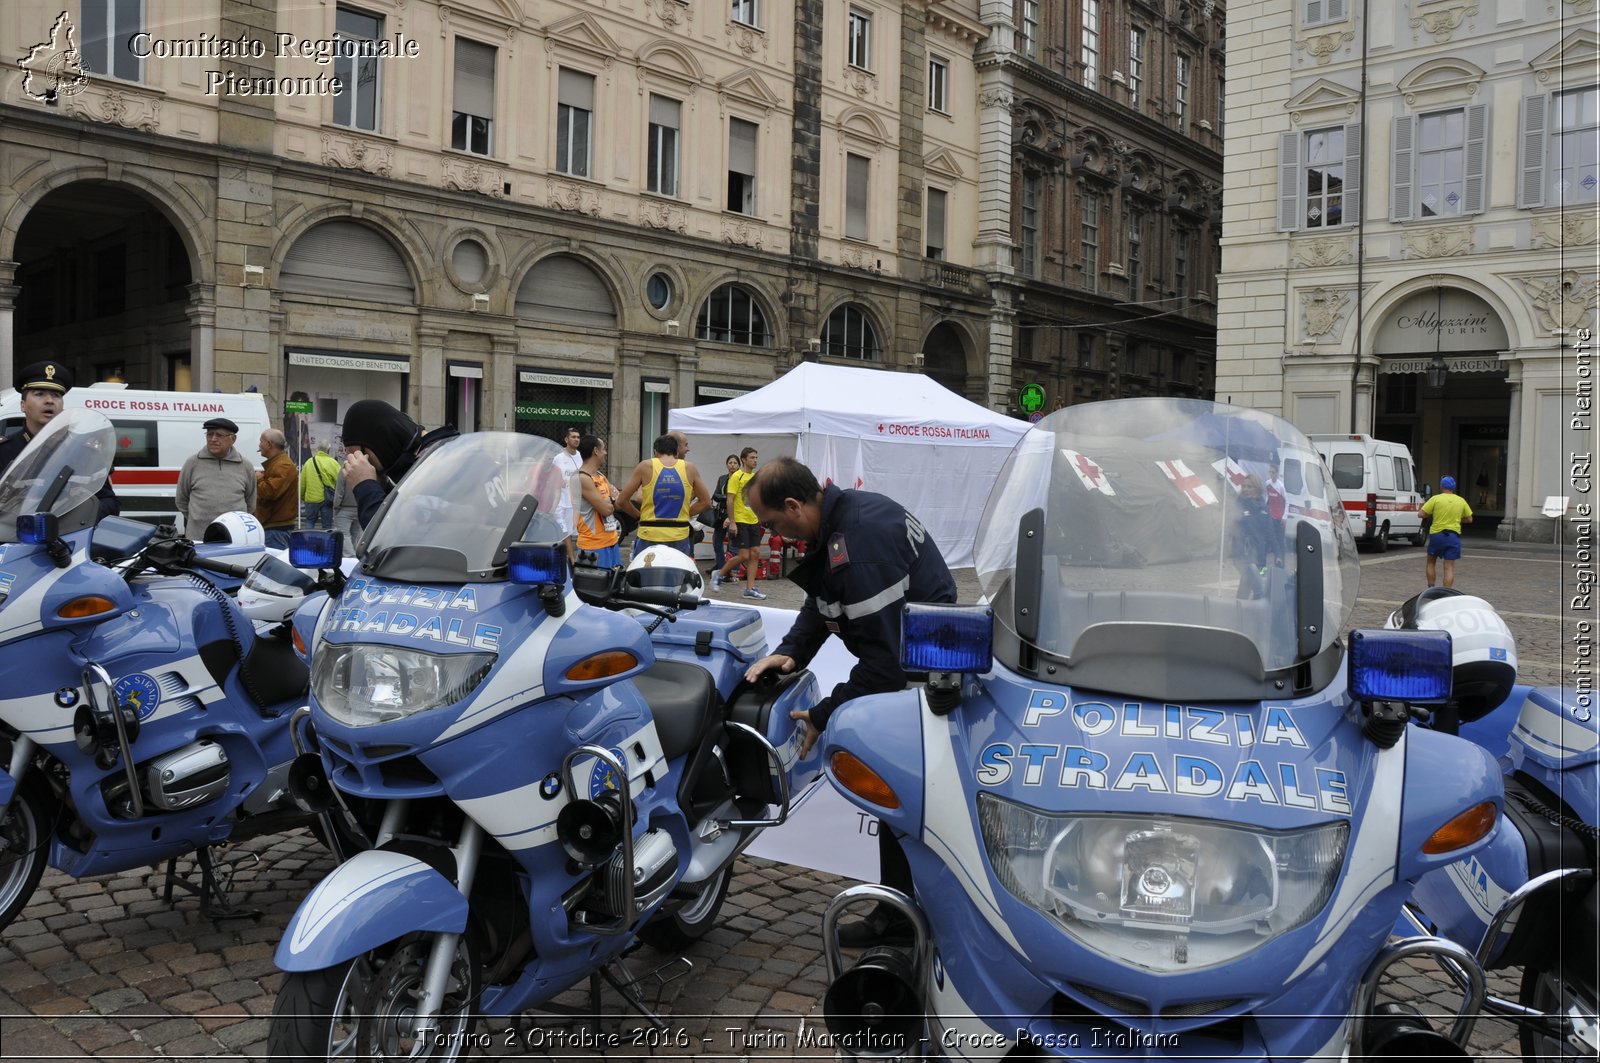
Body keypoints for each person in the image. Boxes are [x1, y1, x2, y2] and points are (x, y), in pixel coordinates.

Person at [744, 457, 957, 946]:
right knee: (897, 811)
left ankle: (906, 925)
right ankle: (899, 916)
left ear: (795, 505)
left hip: (923, 682)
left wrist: (823, 713)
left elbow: (886, 664)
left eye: (774, 523)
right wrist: (789, 652)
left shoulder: (859, 549)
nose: (777, 534)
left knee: (902, 806)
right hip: (913, 670)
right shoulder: (844, 521)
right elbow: (821, 603)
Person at [0, 361, 119, 518]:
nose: (49, 401)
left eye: (56, 395)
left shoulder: (85, 452)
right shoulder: (4, 451)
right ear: (23, 405)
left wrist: (74, 517)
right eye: (39, 394)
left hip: (67, 539)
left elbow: (110, 503)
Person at [340, 399, 459, 528]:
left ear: (378, 442)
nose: (367, 466)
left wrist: (365, 486)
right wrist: (384, 486)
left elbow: (390, 536)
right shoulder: (432, 458)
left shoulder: (440, 463)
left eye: (361, 457)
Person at [614, 432, 710, 556]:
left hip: (649, 534)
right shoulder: (689, 468)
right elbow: (706, 502)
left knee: (645, 573)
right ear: (676, 452)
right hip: (679, 534)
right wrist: (685, 513)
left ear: (655, 452)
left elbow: (621, 501)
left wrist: (639, 516)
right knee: (678, 574)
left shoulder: (645, 466)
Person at [175, 417, 256, 536]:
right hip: (199, 537)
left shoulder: (245, 466)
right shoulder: (192, 463)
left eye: (219, 435)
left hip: (234, 537)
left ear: (232, 439)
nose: (213, 439)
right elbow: (181, 499)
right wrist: (197, 519)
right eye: (209, 434)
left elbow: (251, 502)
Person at [712, 447, 766, 599]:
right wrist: (732, 521)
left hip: (753, 520)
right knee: (743, 555)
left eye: (756, 457)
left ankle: (750, 589)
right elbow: (730, 500)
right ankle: (720, 574)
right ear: (744, 459)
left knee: (755, 554)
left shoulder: (755, 477)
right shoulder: (736, 476)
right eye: (752, 458)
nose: (755, 460)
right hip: (740, 520)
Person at [570, 434, 621, 568]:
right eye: (603, 448)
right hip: (593, 547)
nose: (605, 452)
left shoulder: (601, 476)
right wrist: (611, 500)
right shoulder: (581, 478)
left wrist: (609, 501)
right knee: (595, 588)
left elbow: (618, 501)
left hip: (612, 542)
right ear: (595, 451)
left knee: (615, 586)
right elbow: (607, 509)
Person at [1422, 475, 1474, 588]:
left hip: (1437, 535)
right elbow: (1470, 519)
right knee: (1449, 566)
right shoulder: (1461, 501)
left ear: (1442, 486)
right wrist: (1459, 519)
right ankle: (1446, 592)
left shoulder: (1435, 499)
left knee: (1431, 562)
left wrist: (1431, 514)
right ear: (1453, 488)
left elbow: (1421, 514)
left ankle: (1431, 588)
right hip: (1453, 536)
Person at [254, 428, 298, 548]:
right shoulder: (277, 463)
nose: (259, 445)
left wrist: (258, 478)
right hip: (273, 528)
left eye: (261, 441)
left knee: (274, 565)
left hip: (276, 531)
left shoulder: (283, 465)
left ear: (269, 444)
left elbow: (270, 491)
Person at [1233, 474, 1274, 600]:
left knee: (1246, 586)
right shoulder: (1239, 506)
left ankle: (1237, 611)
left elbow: (1269, 533)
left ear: (1257, 488)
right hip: (1244, 556)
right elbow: (1231, 530)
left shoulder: (1264, 508)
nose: (1245, 489)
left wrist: (1276, 552)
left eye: (1249, 486)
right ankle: (1256, 616)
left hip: (1260, 558)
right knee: (1260, 591)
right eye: (1244, 486)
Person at [552, 427, 583, 560]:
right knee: (565, 534)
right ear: (566, 439)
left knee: (581, 532)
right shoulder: (558, 458)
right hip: (562, 503)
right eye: (573, 437)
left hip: (578, 503)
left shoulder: (582, 456)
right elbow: (553, 481)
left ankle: (582, 559)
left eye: (578, 437)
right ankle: (572, 561)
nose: (576, 439)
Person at [298, 440, 340, 530]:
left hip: (311, 499)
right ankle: (325, 543)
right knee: (327, 525)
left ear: (318, 449)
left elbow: (302, 483)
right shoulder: (333, 463)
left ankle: (308, 542)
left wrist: (301, 496)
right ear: (328, 450)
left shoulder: (308, 462)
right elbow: (340, 481)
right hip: (327, 498)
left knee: (310, 521)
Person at [708, 454, 738, 571]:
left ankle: (734, 571)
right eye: (730, 463)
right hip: (721, 514)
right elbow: (715, 495)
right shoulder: (722, 478)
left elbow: (738, 498)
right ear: (726, 465)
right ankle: (721, 567)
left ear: (739, 465)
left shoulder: (740, 478)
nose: (732, 465)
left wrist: (727, 498)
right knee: (717, 542)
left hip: (735, 514)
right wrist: (728, 497)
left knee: (733, 544)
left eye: (735, 463)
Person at [329, 466, 362, 556]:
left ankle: (351, 557)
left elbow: (339, 491)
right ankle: (357, 557)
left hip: (344, 508)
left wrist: (335, 506)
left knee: (343, 535)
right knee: (356, 536)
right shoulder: (364, 470)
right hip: (359, 507)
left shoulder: (344, 470)